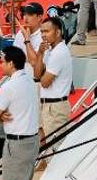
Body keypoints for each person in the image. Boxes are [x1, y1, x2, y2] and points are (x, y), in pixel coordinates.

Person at [0, 45, 40, 180]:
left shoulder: (8, 87)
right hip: (32, 141)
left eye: (2, 62)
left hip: (17, 144)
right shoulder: (30, 81)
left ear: (11, 63)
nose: (0, 65)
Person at [29, 17, 74, 147]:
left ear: (58, 32)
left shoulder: (59, 53)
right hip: (49, 106)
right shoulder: (50, 51)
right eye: (42, 32)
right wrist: (40, 54)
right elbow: (37, 76)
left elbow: (44, 83)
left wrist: (43, 74)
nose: (43, 35)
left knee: (54, 150)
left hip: (55, 108)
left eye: (47, 31)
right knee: (49, 146)